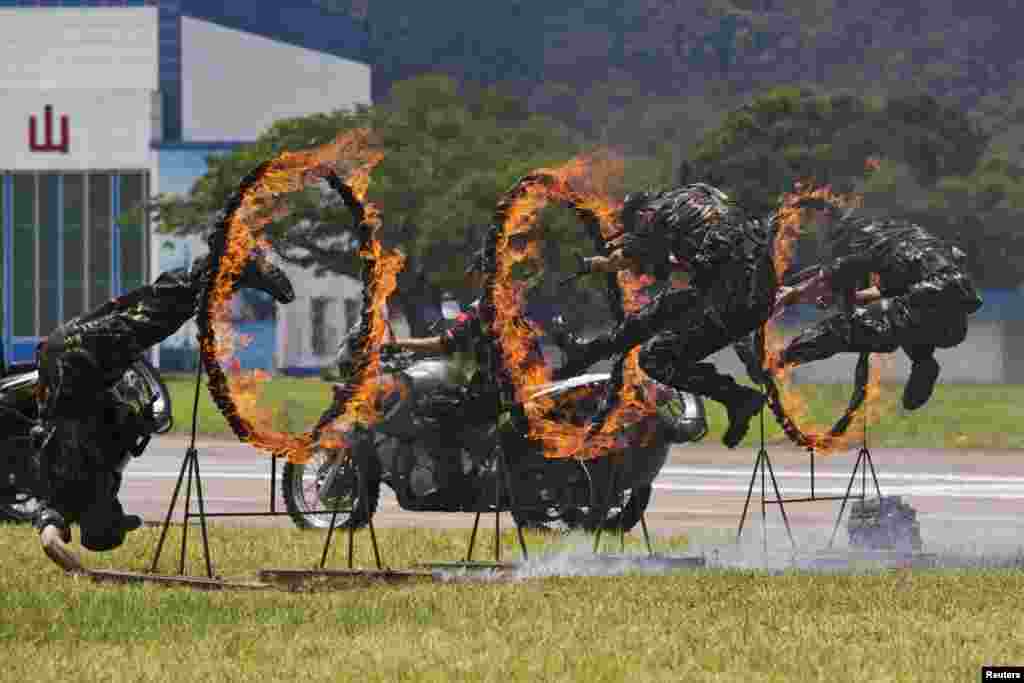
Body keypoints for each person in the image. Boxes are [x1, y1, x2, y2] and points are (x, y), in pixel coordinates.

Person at [34, 238, 295, 572]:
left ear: (94, 518)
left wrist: (82, 573)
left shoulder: (59, 501)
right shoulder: (99, 480)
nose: (115, 508)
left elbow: (51, 542)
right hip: (81, 364)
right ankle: (225, 271)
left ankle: (228, 266)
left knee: (155, 313)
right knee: (151, 311)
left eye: (112, 517)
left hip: (74, 360)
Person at [554, 183, 775, 448]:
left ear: (641, 215)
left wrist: (593, 264)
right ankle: (591, 351)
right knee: (667, 306)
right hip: (754, 292)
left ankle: (737, 398)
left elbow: (622, 259)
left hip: (730, 301)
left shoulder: (654, 219)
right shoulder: (698, 194)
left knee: (655, 358)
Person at [774, 200, 982, 410]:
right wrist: (845, 298)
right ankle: (923, 361)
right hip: (954, 319)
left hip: (929, 297)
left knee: (844, 328)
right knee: (902, 316)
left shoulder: (872, 243)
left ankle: (780, 360)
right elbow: (883, 290)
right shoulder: (911, 239)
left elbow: (831, 273)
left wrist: (794, 292)